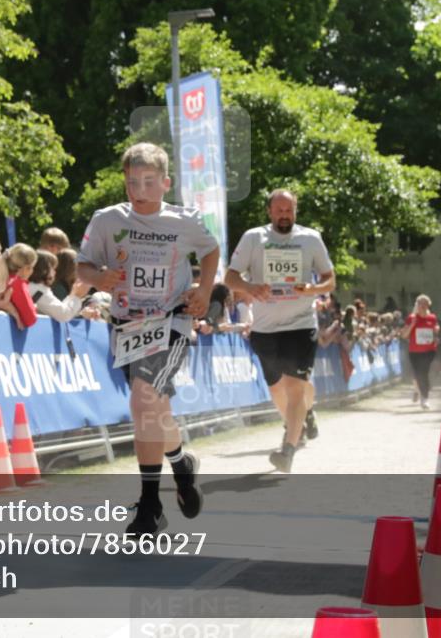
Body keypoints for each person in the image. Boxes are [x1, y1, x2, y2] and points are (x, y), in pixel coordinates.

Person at [77, 142, 219, 537]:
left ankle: (151, 505)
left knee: (143, 400)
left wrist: (205, 290)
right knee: (153, 409)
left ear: (166, 183)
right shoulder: (107, 220)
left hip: (171, 320)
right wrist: (97, 277)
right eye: (132, 182)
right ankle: (181, 463)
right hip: (127, 326)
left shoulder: (185, 220)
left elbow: (210, 251)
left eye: (149, 182)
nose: (139, 190)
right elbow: (83, 265)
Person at [225, 189, 335, 472]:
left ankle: (288, 449)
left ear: (295, 211)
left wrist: (313, 289)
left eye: (289, 210)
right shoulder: (253, 238)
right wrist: (250, 287)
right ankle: (300, 420)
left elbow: (330, 280)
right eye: (279, 210)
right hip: (264, 328)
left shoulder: (311, 238)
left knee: (295, 387)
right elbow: (230, 277)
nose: (284, 215)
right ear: (269, 212)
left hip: (300, 324)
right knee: (277, 389)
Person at [399, 294, 440, 409]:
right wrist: (412, 325)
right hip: (415, 351)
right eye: (420, 303)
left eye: (425, 304)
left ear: (428, 305)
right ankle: (419, 389)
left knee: (423, 372)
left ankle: (425, 398)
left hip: (429, 350)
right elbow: (404, 335)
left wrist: (436, 332)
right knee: (418, 374)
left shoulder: (432, 317)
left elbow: (435, 330)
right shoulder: (411, 318)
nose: (422, 306)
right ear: (417, 305)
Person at [28, 249, 90, 322]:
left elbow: (62, 309)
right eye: (53, 268)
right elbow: (63, 315)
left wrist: (73, 295)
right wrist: (77, 296)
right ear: (43, 270)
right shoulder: (39, 290)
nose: (55, 272)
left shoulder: (33, 287)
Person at [0, 242, 39, 329]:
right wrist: (33, 307)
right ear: (26, 268)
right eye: (32, 267)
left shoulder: (3, 279)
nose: (32, 271)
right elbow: (30, 319)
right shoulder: (18, 284)